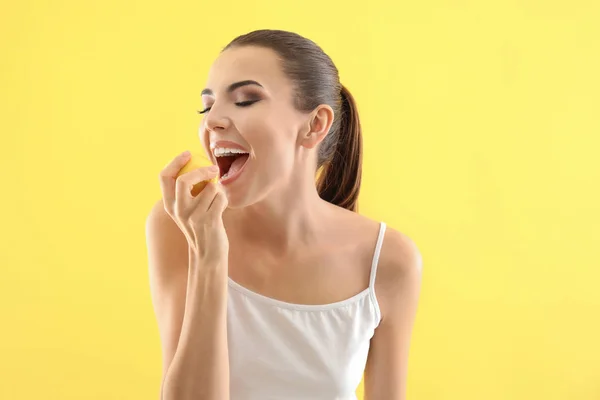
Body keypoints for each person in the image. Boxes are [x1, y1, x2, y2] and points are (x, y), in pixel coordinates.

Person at [146, 29, 423, 400]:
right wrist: (209, 256)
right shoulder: (179, 226)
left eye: (245, 100)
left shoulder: (388, 259)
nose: (212, 121)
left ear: (314, 126)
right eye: (207, 105)